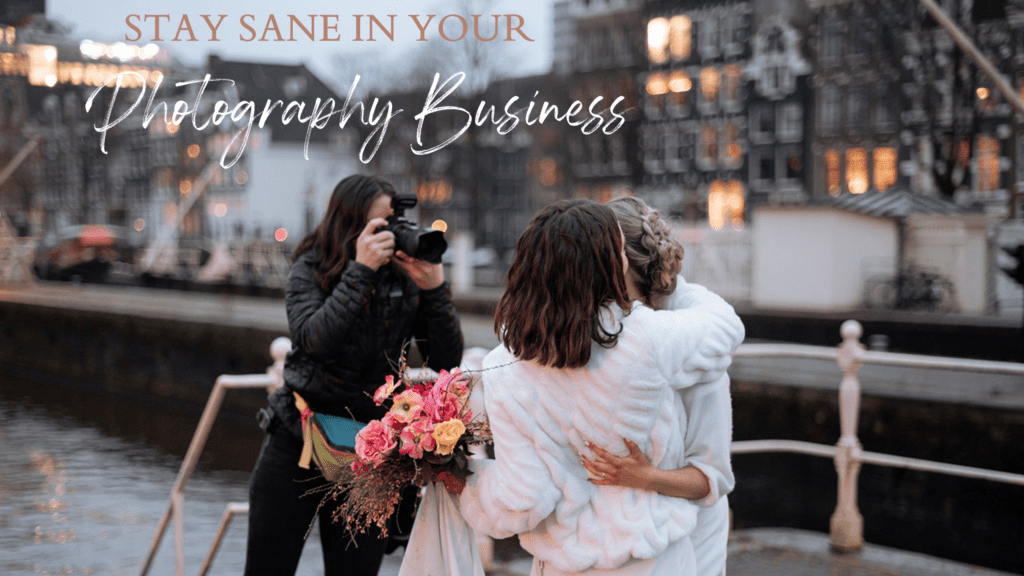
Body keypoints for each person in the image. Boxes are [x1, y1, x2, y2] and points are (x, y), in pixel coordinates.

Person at [456, 198, 744, 576]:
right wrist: (672, 286)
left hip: (563, 564)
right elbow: (725, 326)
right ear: (606, 266)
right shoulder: (651, 341)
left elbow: (523, 499)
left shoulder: (504, 365)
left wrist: (457, 479)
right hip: (653, 560)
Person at [245, 174, 464, 576]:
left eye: (396, 224)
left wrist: (434, 291)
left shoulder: (403, 276)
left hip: (368, 450)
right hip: (298, 437)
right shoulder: (310, 267)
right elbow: (314, 342)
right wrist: (360, 272)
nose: (393, 236)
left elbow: (446, 361)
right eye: (382, 226)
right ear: (350, 226)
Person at [581, 195, 737, 576]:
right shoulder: (599, 334)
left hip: (690, 542)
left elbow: (711, 479)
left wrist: (642, 477)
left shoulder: (696, 357)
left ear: (628, 266)